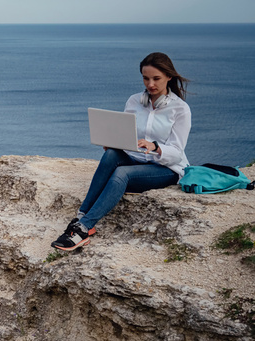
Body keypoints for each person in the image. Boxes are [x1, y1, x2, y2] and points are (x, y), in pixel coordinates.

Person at [52, 52, 191, 251]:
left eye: (156, 78)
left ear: (169, 77)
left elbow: (177, 152)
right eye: (146, 78)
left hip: (167, 168)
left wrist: (156, 147)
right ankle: (81, 217)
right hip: (137, 161)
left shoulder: (181, 109)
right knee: (110, 155)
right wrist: (114, 142)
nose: (150, 84)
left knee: (121, 173)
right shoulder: (134, 101)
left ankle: (84, 228)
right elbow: (126, 135)